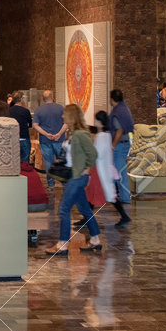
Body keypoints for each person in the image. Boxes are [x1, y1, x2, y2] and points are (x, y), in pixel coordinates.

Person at [47, 104, 101, 255]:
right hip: (72, 176)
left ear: (71, 116)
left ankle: (63, 244)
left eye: (65, 113)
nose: (62, 116)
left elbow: (93, 154)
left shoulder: (81, 134)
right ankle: (95, 239)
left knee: (64, 209)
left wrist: (87, 169)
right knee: (84, 209)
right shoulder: (72, 133)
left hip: (77, 177)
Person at [87, 111, 122, 221]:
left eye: (96, 119)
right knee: (101, 193)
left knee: (96, 193)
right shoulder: (107, 135)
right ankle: (87, 218)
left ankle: (87, 218)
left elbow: (97, 153)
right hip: (102, 168)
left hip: (99, 169)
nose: (94, 121)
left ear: (100, 122)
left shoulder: (101, 136)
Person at [107, 89, 133, 221]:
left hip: (119, 144)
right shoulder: (124, 108)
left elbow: (119, 130)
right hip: (124, 143)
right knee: (119, 171)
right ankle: (116, 196)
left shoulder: (117, 112)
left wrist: (112, 146)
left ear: (112, 99)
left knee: (119, 172)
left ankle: (124, 197)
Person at [35, 90, 65, 189]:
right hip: (59, 140)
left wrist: (46, 134)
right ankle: (64, 184)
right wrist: (59, 134)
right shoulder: (61, 108)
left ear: (43, 98)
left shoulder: (39, 110)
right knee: (61, 162)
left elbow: (35, 125)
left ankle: (51, 184)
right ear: (53, 96)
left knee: (48, 163)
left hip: (45, 140)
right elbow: (66, 123)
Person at [8, 92, 33, 163]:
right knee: (25, 162)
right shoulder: (25, 111)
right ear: (21, 99)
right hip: (24, 138)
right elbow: (30, 124)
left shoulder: (8, 111)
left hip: (12, 139)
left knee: (13, 162)